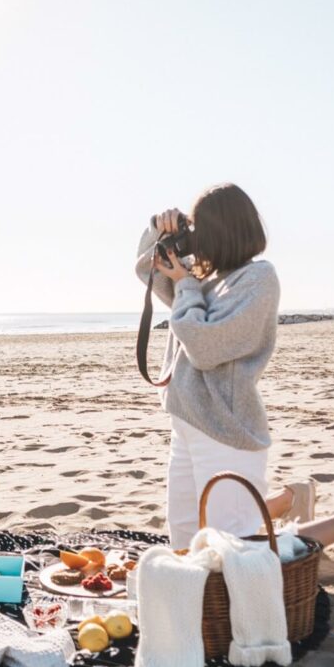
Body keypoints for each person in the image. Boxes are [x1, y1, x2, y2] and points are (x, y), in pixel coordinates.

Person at [136, 183, 280, 548]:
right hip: (186, 422)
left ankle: (307, 508)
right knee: (184, 539)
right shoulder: (205, 280)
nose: (195, 237)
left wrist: (185, 284)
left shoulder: (258, 279)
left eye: (199, 227)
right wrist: (159, 229)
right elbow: (146, 270)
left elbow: (203, 347)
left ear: (223, 229)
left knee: (231, 550)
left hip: (225, 429)